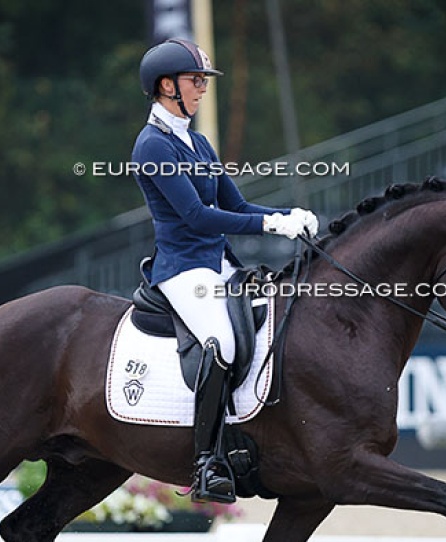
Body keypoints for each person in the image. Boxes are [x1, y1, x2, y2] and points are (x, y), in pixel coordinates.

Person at [131, 38, 318, 503]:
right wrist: (270, 223)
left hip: (219, 264)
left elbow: (233, 204)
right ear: (166, 86)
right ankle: (206, 460)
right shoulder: (151, 146)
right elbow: (196, 217)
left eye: (202, 81)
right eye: (195, 81)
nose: (201, 89)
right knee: (223, 342)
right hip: (182, 270)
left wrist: (285, 216)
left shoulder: (196, 141)